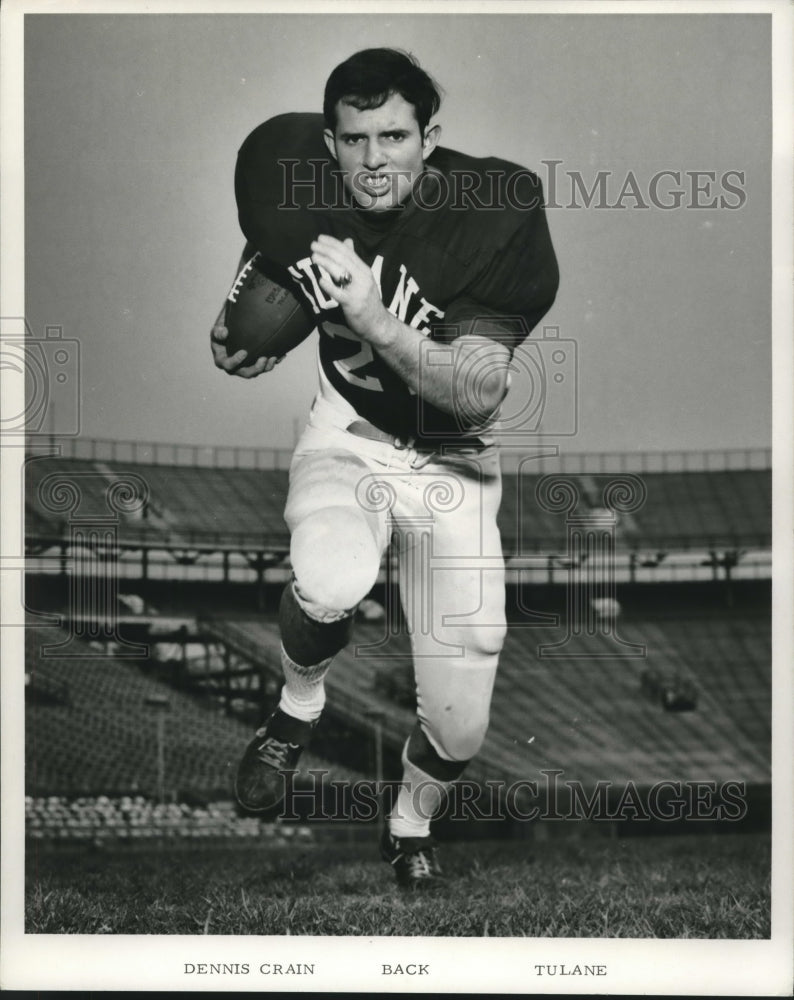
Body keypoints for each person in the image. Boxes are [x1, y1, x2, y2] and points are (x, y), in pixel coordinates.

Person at [211, 48, 558, 888]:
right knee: (330, 575)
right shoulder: (285, 170)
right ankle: (296, 711)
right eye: (355, 139)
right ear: (329, 143)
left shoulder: (494, 210)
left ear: (429, 136)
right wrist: (257, 311)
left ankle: (408, 825)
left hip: (452, 461)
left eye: (395, 136)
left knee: (462, 717)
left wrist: (376, 318)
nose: (374, 161)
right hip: (351, 433)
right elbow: (252, 302)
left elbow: (477, 393)